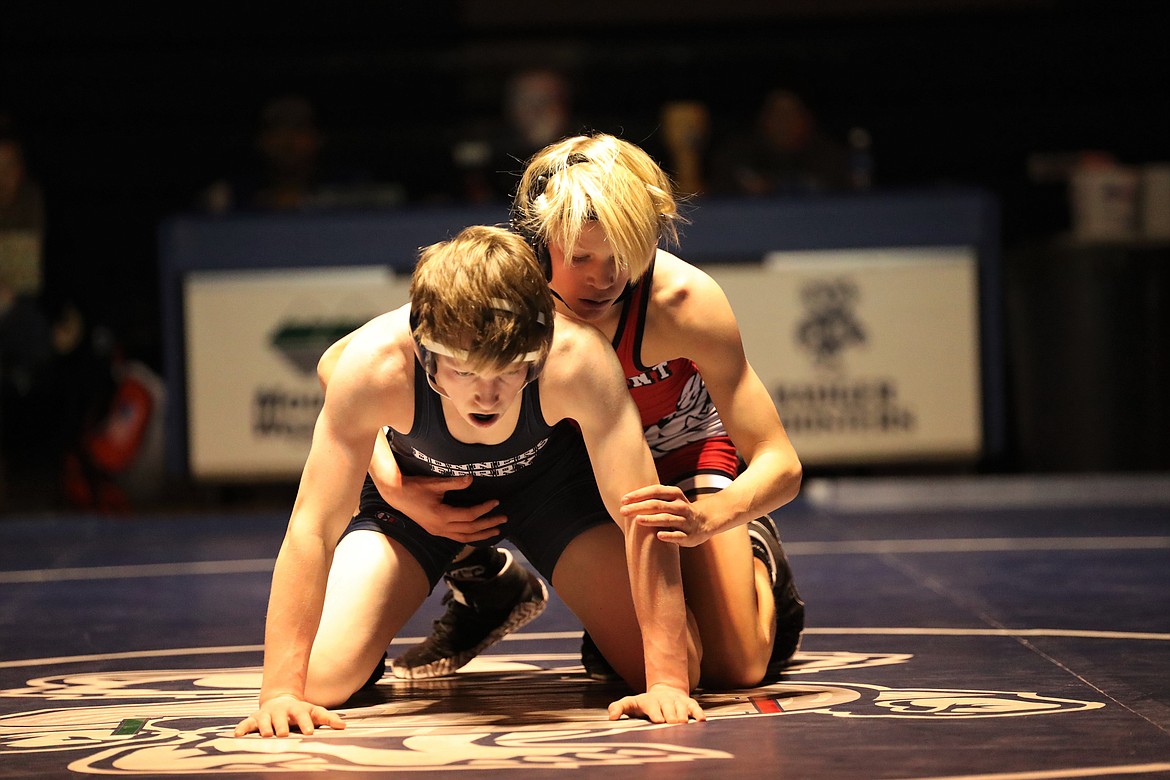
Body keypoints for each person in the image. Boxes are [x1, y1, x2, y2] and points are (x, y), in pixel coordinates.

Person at [235, 225, 703, 738]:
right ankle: (479, 573)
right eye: (464, 372)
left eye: (507, 371)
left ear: (539, 346)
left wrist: (666, 683)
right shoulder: (376, 364)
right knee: (316, 683)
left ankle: (755, 550)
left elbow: (640, 514)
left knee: (683, 668)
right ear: (426, 353)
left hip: (550, 493)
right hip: (421, 494)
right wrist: (278, 690)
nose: (487, 395)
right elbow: (312, 527)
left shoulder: (578, 358)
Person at [384, 134, 805, 691]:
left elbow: (781, 462)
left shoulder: (683, 303)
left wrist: (713, 517)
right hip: (567, 463)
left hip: (672, 459)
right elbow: (344, 367)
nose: (603, 278)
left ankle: (751, 555)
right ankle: (484, 581)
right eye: (580, 257)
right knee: (443, 426)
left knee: (736, 668)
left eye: (624, 257)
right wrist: (391, 485)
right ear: (540, 240)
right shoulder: (507, 282)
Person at [709, 88, 850, 196]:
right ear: (764, 119)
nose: (784, 123)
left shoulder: (829, 156)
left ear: (806, 119)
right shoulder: (736, 153)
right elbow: (717, 192)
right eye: (778, 115)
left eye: (791, 115)